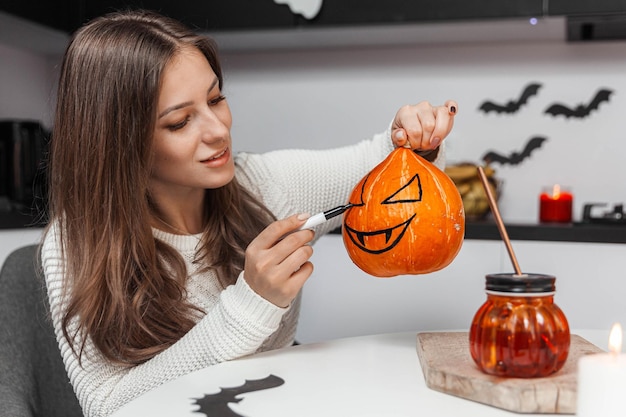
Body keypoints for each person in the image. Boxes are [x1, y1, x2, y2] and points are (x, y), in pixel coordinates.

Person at [40, 9, 458, 417]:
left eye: (216, 98)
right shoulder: (72, 244)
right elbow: (107, 405)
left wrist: (414, 135)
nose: (219, 130)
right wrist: (251, 304)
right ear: (119, 142)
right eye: (181, 122)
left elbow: (379, 161)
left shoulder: (261, 183)